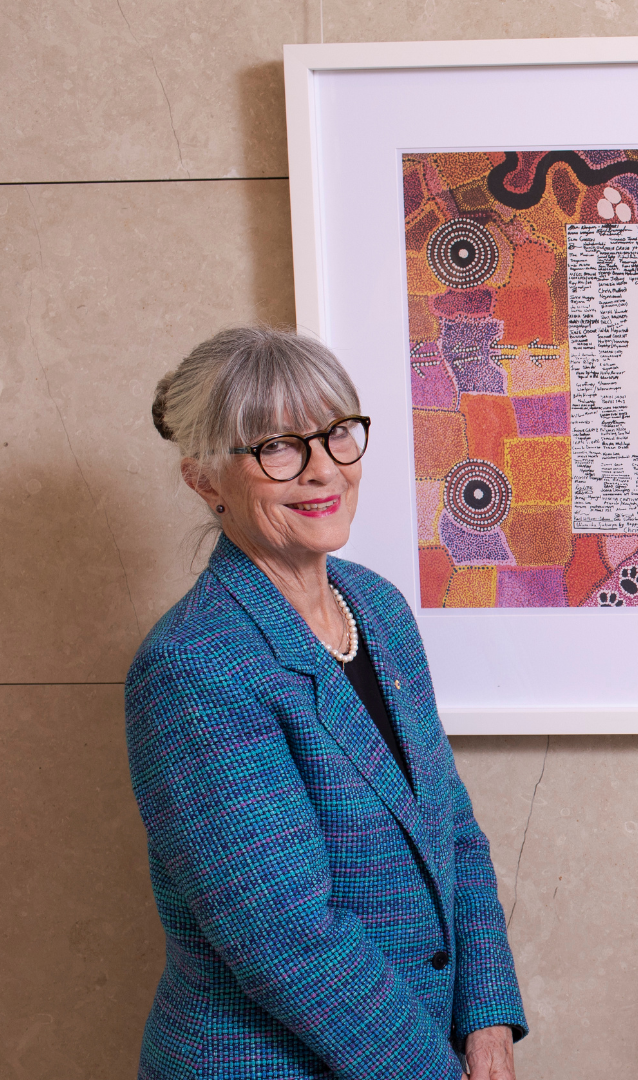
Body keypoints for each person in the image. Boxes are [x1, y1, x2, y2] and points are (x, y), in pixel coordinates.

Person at [126, 327, 526, 1079]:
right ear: (205, 480)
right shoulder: (194, 667)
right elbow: (290, 940)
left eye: (338, 434)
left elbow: (454, 831)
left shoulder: (375, 607)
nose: (323, 471)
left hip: (415, 1050)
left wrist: (486, 1020)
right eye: (278, 446)